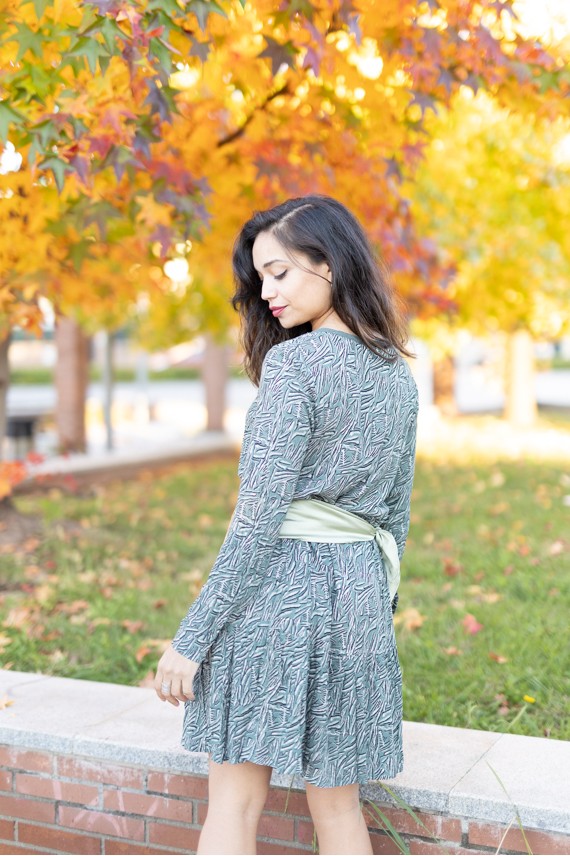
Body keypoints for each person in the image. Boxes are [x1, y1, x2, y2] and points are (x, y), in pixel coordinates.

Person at [154, 195, 419, 855]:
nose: (266, 292)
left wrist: (191, 640)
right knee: (339, 811)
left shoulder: (294, 364)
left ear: (328, 264)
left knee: (237, 805)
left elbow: (257, 519)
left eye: (279, 272)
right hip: (359, 591)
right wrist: (373, 608)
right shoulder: (397, 373)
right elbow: (398, 513)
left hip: (276, 592)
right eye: (259, 278)